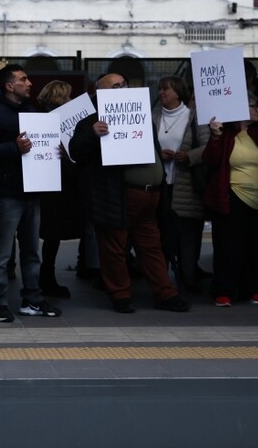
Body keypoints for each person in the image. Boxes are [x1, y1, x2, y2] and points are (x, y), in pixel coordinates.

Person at [69, 73, 191, 314]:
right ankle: (120, 294)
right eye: (115, 86)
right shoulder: (90, 120)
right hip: (118, 196)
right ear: (99, 91)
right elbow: (76, 151)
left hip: (150, 196)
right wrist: (93, 133)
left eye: (124, 84)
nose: (122, 88)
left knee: (152, 247)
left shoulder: (139, 115)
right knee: (114, 248)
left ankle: (164, 293)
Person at [0, 64, 61, 322]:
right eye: (23, 79)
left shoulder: (30, 111)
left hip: (30, 191)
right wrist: (13, 148)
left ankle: (32, 299)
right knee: (2, 254)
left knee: (31, 251)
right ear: (9, 86)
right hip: (6, 193)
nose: (30, 83)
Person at [203, 93, 258, 306]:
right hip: (233, 197)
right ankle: (223, 290)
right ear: (242, 108)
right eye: (254, 106)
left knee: (255, 246)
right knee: (229, 245)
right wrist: (215, 136)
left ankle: (251, 289)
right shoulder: (226, 136)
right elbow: (210, 159)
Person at [152, 75, 210, 292]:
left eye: (165, 89)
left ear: (177, 91)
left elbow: (208, 147)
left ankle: (188, 277)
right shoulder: (154, 116)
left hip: (186, 187)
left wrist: (187, 156)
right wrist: (159, 154)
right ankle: (162, 282)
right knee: (161, 236)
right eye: (159, 89)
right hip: (160, 185)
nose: (161, 93)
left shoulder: (195, 117)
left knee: (188, 236)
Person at [36, 79, 84, 299]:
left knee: (49, 236)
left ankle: (44, 277)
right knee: (52, 236)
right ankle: (46, 279)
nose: (71, 100)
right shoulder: (61, 122)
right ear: (60, 98)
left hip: (47, 186)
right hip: (57, 187)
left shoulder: (40, 119)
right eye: (68, 96)